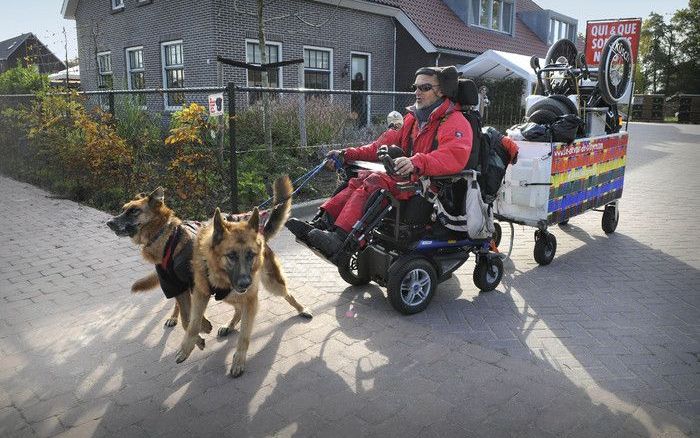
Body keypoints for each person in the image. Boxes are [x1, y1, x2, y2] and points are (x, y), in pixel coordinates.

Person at [286, 66, 473, 258]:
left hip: (430, 186)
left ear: (441, 91)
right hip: (408, 178)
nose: (416, 92)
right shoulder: (412, 119)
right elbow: (379, 147)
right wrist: (346, 154)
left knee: (375, 181)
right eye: (415, 87)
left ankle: (341, 238)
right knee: (358, 179)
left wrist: (416, 162)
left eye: (424, 87)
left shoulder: (454, 122)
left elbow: (453, 156)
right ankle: (321, 225)